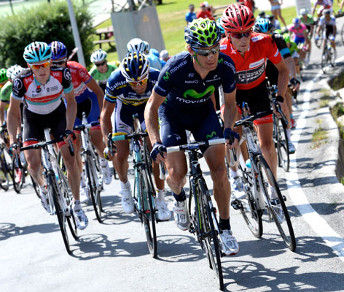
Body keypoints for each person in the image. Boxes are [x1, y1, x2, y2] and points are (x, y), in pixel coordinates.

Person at [144, 18, 240, 256]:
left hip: (203, 115)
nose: (211, 56)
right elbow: (151, 108)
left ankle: (225, 228)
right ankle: (179, 199)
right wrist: (155, 141)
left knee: (219, 171)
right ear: (191, 50)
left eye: (215, 49)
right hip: (173, 116)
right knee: (177, 173)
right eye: (204, 52)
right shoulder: (175, 68)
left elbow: (230, 103)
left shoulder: (226, 66)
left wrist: (228, 128)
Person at [7, 41, 88, 230]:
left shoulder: (62, 74)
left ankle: (77, 205)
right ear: (29, 66)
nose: (42, 69)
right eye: (36, 66)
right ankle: (45, 189)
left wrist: (69, 129)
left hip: (57, 116)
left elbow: (71, 102)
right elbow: (12, 113)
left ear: (50, 61)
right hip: (33, 119)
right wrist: (13, 140)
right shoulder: (21, 80)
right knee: (33, 164)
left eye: (45, 64)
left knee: (70, 157)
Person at [220, 4, 289, 208]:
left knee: (267, 143)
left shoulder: (264, 42)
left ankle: (273, 188)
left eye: (247, 33)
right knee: (232, 135)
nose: (243, 39)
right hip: (233, 95)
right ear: (228, 34)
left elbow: (283, 71)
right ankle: (234, 176)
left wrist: (279, 98)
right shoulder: (220, 50)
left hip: (258, 91)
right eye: (237, 34)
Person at [100, 51, 171, 221]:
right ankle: (125, 187)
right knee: (120, 152)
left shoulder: (156, 77)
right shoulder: (116, 80)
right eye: (133, 83)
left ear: (148, 75)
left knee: (156, 151)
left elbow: (166, 107)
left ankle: (161, 198)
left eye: (142, 81)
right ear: (126, 79)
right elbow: (105, 114)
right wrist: (107, 141)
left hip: (147, 110)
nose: (139, 86)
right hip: (124, 112)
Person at [49, 41, 113, 201]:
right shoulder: (48, 75)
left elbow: (99, 92)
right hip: (70, 108)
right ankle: (82, 182)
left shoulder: (77, 69)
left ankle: (104, 164)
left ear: (66, 59)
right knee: (74, 146)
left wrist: (101, 116)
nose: (58, 66)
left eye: (61, 62)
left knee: (97, 136)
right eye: (54, 63)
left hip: (88, 101)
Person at [253, 18, 298, 152]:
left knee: (282, 100)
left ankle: (289, 139)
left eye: (269, 34)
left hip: (276, 71)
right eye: (262, 35)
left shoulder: (278, 39)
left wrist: (293, 78)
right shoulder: (251, 42)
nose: (266, 38)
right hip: (259, 72)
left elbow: (289, 60)